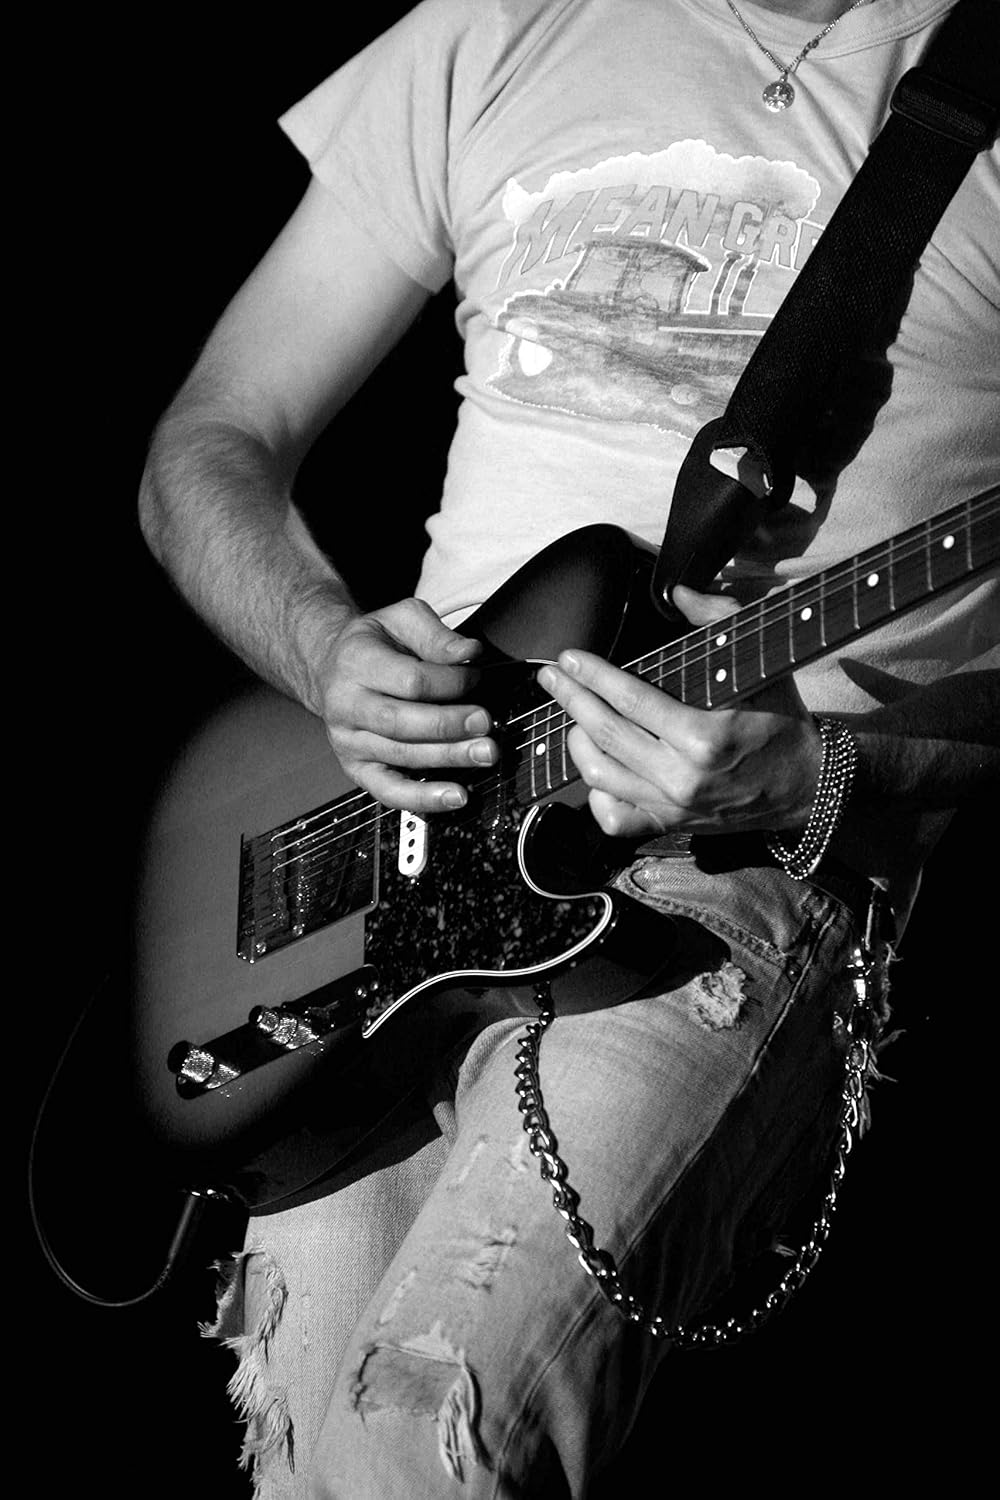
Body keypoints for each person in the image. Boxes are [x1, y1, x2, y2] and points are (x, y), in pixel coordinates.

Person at [138, 1, 998, 1494]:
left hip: (733, 868)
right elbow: (211, 441)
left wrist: (813, 776)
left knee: (424, 1443)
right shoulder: (498, 24)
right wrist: (325, 651)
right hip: (389, 863)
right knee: (301, 1461)